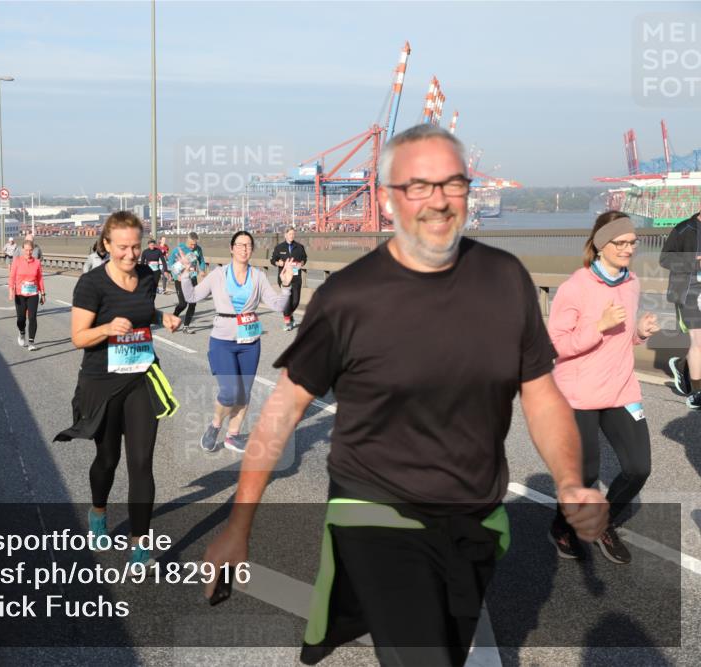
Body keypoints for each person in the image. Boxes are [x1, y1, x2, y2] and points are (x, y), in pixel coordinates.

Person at [202, 124, 608, 667]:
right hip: (376, 509)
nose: (438, 201)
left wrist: (569, 483)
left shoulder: (505, 280)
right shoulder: (349, 298)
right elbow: (283, 410)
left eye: (453, 184)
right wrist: (238, 525)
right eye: (419, 186)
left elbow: (540, 393)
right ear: (390, 199)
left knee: (450, 646)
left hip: (474, 514)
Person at [55, 212, 181, 566]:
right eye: (123, 247)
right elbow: (79, 337)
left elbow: (143, 312)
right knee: (107, 459)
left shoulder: (147, 276)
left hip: (140, 376)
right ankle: (98, 511)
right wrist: (108, 327)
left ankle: (140, 543)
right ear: (107, 245)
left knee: (141, 462)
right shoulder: (91, 284)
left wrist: (162, 318)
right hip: (102, 382)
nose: (131, 254)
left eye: (136, 246)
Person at [547, 211, 658, 564]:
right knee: (587, 475)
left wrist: (638, 333)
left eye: (632, 243)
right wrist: (599, 325)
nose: (628, 249)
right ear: (600, 245)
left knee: (638, 468)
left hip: (622, 389)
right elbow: (558, 345)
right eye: (620, 243)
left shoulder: (632, 283)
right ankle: (563, 527)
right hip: (578, 394)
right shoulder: (575, 287)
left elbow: (622, 341)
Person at [180, 230, 296, 452]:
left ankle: (232, 435)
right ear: (232, 248)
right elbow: (192, 297)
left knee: (243, 392)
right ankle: (215, 425)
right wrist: (186, 276)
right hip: (222, 340)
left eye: (249, 245)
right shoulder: (218, 275)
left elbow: (278, 306)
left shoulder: (258, 276)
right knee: (230, 392)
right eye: (240, 245)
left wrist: (286, 285)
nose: (244, 249)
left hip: (250, 341)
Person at [660, 210, 701, 409]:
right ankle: (697, 392)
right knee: (698, 340)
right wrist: (694, 262)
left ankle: (681, 366)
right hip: (689, 291)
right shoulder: (684, 228)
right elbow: (665, 259)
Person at [8, 240, 47, 351]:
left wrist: (43, 293)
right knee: (21, 319)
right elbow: (12, 277)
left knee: (32, 317)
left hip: (33, 293)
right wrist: (11, 290)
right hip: (20, 293)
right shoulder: (17, 261)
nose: (28, 252)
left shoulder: (37, 262)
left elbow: (40, 278)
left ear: (33, 250)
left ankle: (31, 342)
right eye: (26, 250)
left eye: (30, 250)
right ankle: (22, 332)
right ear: (23, 250)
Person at [169, 232, 207, 334]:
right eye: (191, 244)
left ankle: (186, 326)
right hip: (180, 279)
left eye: (195, 244)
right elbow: (170, 263)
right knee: (183, 304)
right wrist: (176, 276)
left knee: (193, 303)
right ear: (187, 240)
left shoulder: (198, 249)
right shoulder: (178, 249)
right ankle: (173, 319)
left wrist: (202, 270)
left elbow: (201, 260)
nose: (193, 246)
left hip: (192, 278)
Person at [272, 227, 309, 331]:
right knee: (287, 301)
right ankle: (287, 322)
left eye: (293, 234)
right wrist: (278, 263)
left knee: (295, 301)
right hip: (284, 279)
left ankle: (289, 314)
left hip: (296, 277)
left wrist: (301, 264)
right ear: (285, 235)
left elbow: (304, 259)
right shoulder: (279, 247)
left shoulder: (299, 247)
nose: (291, 236)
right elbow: (273, 260)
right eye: (290, 234)